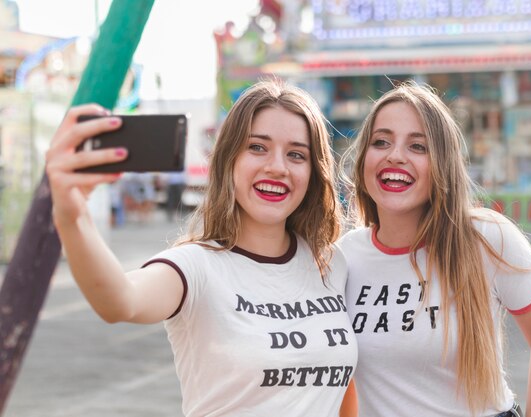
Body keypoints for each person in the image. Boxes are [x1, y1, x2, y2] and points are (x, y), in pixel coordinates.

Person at [45, 80, 358, 417]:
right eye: (257, 147)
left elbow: (341, 390)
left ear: (314, 172)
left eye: (296, 154)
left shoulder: (331, 263)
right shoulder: (195, 266)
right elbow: (120, 301)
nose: (277, 167)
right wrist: (71, 215)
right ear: (228, 159)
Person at [339, 81, 531, 417]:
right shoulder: (344, 257)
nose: (395, 155)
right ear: (363, 160)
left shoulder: (487, 238)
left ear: (443, 164)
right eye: (381, 141)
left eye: (418, 146)